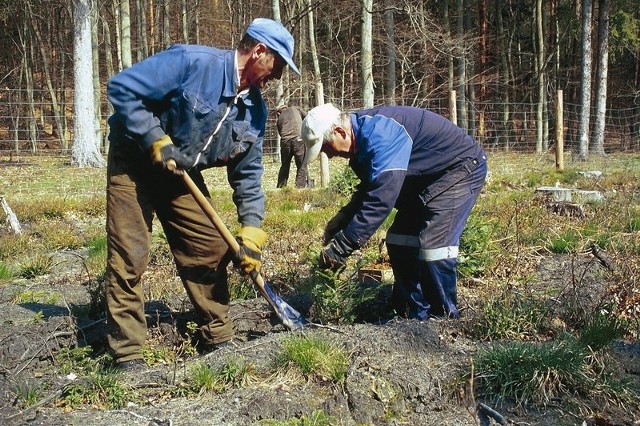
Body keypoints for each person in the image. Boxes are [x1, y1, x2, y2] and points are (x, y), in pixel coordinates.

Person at [105, 18, 300, 370]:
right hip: (134, 155)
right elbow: (122, 88)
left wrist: (252, 229)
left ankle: (217, 335)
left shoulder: (256, 112)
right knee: (130, 253)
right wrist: (154, 138)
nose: (279, 76)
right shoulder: (191, 62)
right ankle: (128, 353)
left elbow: (249, 174)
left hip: (180, 169)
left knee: (209, 247)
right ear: (259, 51)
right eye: (279, 65)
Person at [301, 103, 487, 320]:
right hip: (424, 181)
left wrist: (340, 249)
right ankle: (415, 314)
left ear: (340, 132)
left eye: (326, 147)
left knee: (434, 245)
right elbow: (371, 187)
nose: (329, 155)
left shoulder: (381, 135)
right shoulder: (361, 141)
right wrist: (343, 218)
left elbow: (381, 198)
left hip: (459, 170)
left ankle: (443, 319)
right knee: (399, 240)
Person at [276, 104, 308, 188]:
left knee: (285, 165)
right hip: (298, 138)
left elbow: (280, 132)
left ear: (278, 113)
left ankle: (281, 187)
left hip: (285, 141)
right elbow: (308, 117)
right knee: (302, 165)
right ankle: (300, 187)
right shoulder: (295, 108)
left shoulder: (279, 118)